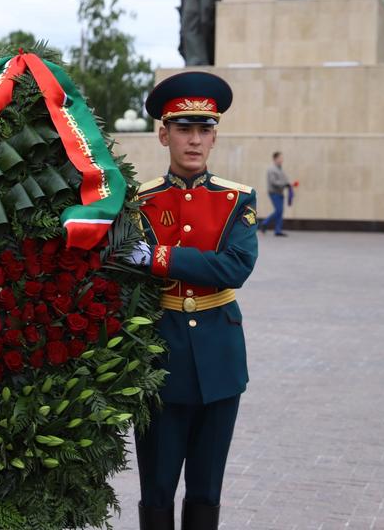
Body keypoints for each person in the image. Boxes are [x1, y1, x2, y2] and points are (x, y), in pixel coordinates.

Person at [131, 71, 258, 530]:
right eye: (183, 128)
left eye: (205, 129)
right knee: (157, 489)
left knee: (207, 490)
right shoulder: (138, 202)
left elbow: (236, 267)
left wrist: (158, 258)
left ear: (215, 136)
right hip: (159, 358)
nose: (195, 140)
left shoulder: (236, 200)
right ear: (163, 134)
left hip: (220, 360)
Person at [259, 151, 291, 237]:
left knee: (280, 212)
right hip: (274, 193)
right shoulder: (272, 169)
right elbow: (274, 182)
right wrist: (285, 184)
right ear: (275, 159)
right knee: (279, 210)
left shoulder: (280, 169)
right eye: (280, 158)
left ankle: (278, 230)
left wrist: (289, 184)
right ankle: (264, 223)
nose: (282, 160)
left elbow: (284, 180)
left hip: (280, 193)